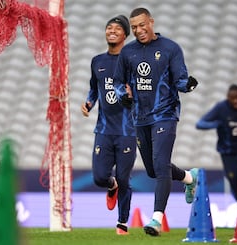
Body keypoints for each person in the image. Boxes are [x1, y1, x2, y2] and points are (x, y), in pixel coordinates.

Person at [113, 7, 199, 236]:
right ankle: (190, 178)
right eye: (134, 27)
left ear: (151, 22)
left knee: (161, 165)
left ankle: (156, 219)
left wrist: (187, 84)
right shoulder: (127, 52)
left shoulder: (170, 48)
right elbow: (118, 82)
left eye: (142, 25)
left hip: (165, 113)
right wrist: (124, 96)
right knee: (152, 170)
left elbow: (180, 79)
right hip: (140, 117)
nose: (139, 30)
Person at [81, 15, 136, 235]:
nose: (111, 31)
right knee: (99, 177)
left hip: (127, 132)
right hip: (103, 130)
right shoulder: (97, 61)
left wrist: (133, 98)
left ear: (125, 35)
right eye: (109, 28)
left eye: (117, 28)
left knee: (125, 178)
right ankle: (110, 185)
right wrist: (89, 102)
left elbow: (142, 92)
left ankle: (122, 222)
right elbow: (94, 88)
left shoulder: (132, 61)